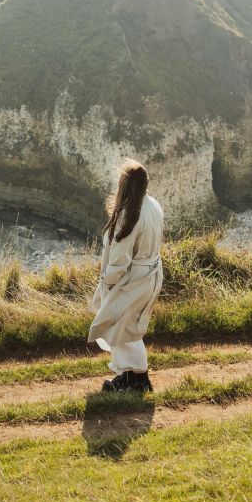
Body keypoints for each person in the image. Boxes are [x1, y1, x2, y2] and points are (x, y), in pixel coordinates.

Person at [88, 159, 164, 392]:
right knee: (127, 326)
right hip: (150, 275)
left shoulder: (129, 214)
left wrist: (108, 282)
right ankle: (131, 377)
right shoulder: (153, 206)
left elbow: (120, 260)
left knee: (122, 328)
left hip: (131, 280)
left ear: (124, 185)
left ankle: (138, 378)